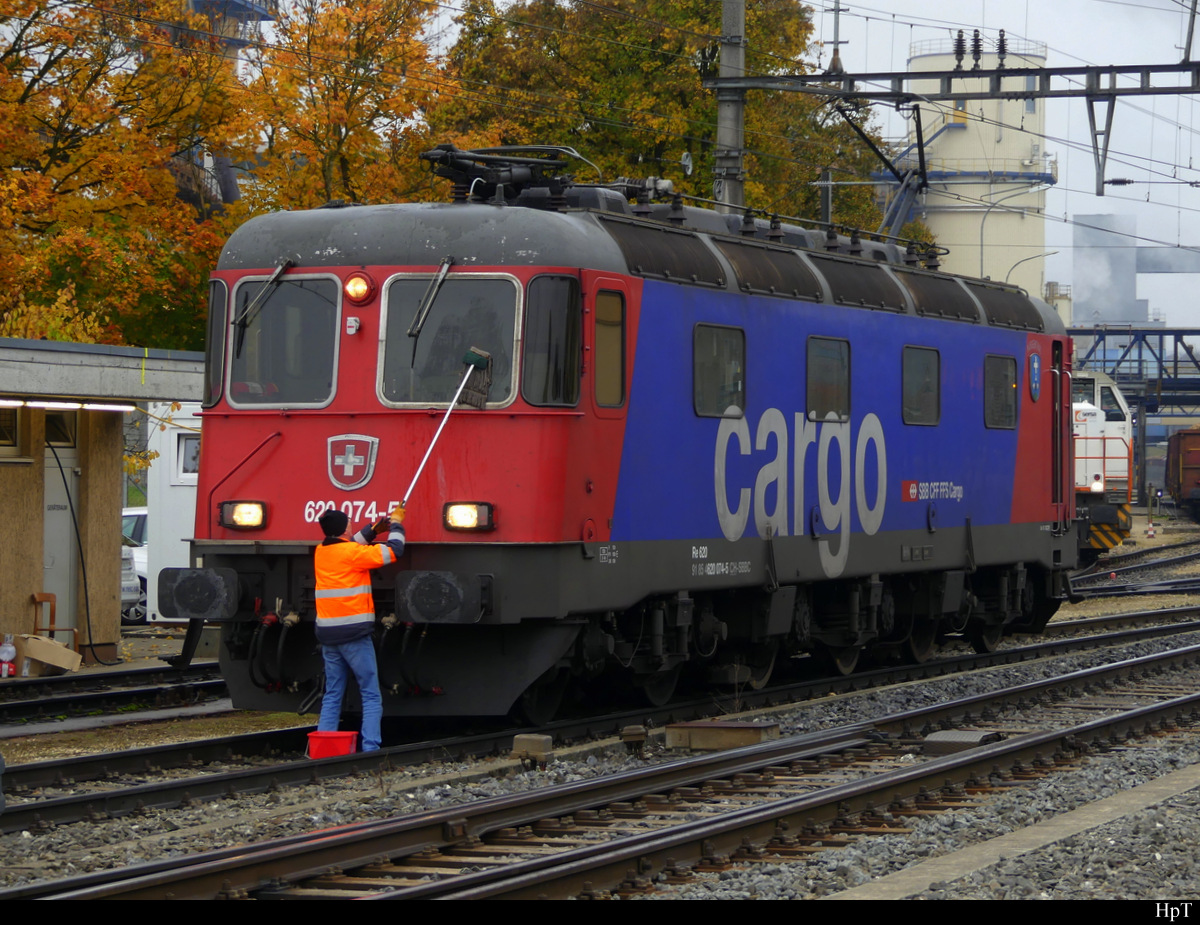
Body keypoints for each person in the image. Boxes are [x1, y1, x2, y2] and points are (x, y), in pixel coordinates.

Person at [314, 505, 405, 751]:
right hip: (354, 635)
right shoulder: (353, 553)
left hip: (328, 635)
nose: (352, 524)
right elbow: (395, 550)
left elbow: (349, 543)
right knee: (370, 693)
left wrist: (374, 530)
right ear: (343, 528)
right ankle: (371, 747)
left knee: (333, 693)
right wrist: (396, 524)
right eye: (349, 522)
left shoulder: (321, 551)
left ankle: (324, 748)